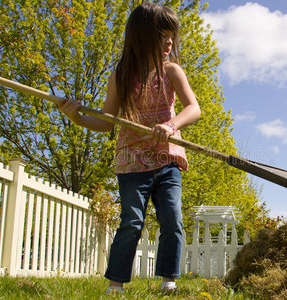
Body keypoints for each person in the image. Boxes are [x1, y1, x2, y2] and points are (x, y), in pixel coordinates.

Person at [58, 2, 200, 294]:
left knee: (172, 218)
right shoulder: (121, 75)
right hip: (131, 161)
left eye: (172, 35)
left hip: (167, 158)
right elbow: (107, 122)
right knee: (132, 222)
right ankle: (116, 284)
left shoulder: (172, 71)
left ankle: (168, 279)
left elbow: (193, 108)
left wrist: (171, 126)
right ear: (141, 36)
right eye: (162, 34)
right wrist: (77, 117)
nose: (170, 41)